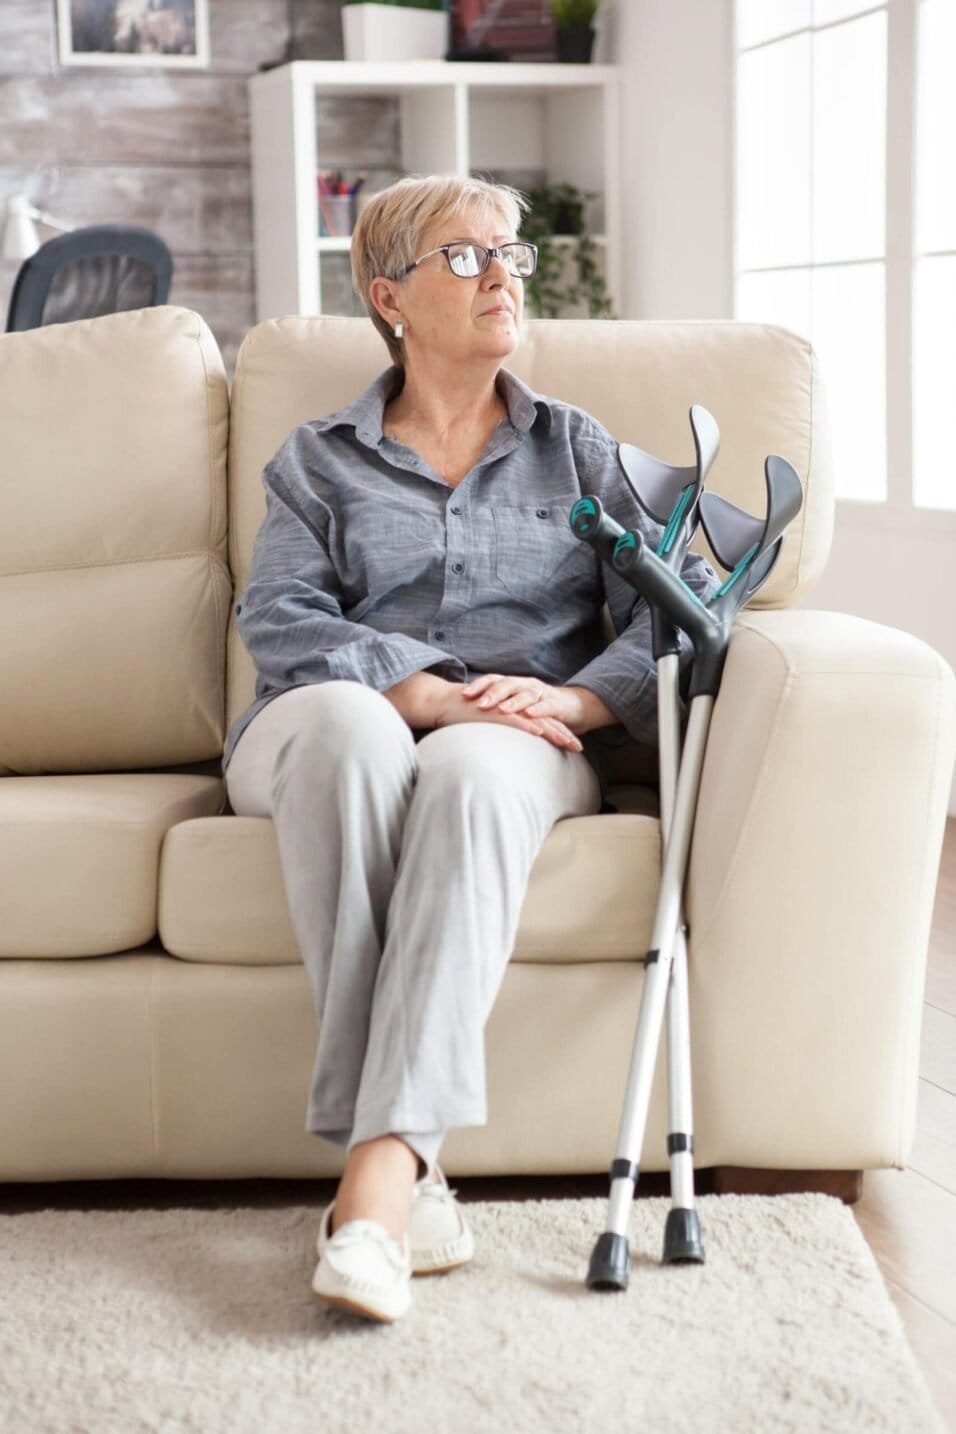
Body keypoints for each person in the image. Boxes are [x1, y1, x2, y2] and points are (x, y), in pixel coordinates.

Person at [222, 174, 718, 1324]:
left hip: (521, 730)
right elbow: (281, 622)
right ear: (390, 297)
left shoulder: (577, 451)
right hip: (327, 719)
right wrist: (425, 690)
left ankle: (379, 1182)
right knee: (357, 731)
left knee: (474, 770)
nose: (501, 272)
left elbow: (675, 612)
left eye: (510, 253)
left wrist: (579, 708)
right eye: (465, 256)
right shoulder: (315, 459)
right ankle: (400, 1174)